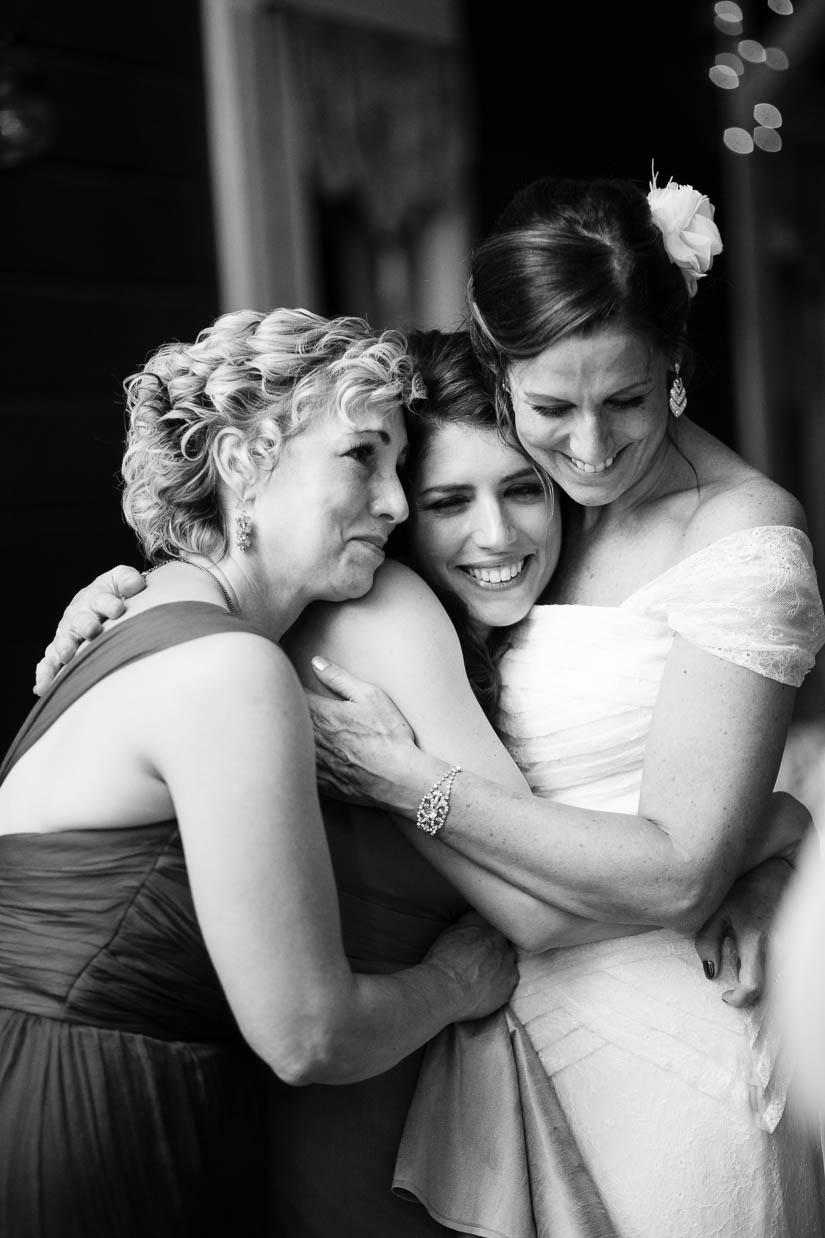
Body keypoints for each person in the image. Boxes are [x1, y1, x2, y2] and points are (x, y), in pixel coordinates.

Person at [42, 325, 819, 1238]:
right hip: (367, 1096)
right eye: (443, 498)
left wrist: (761, 856)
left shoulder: (422, 618)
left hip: (413, 1076)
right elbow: (536, 913)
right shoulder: (379, 617)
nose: (493, 533)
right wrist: (763, 828)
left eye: (524, 488)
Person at [291, 178, 825, 1238]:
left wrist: (410, 780)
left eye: (628, 399)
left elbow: (678, 865)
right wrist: (124, 593)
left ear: (677, 371)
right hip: (506, 1032)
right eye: (552, 408)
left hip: (674, 1050)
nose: (588, 446)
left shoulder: (738, 537)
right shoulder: (512, 501)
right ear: (498, 375)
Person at [0, 308, 519, 1237]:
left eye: (400, 468)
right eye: (362, 457)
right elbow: (309, 1037)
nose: (397, 502)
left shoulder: (133, 614)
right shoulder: (230, 671)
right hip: (78, 1124)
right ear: (243, 460)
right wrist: (458, 983)